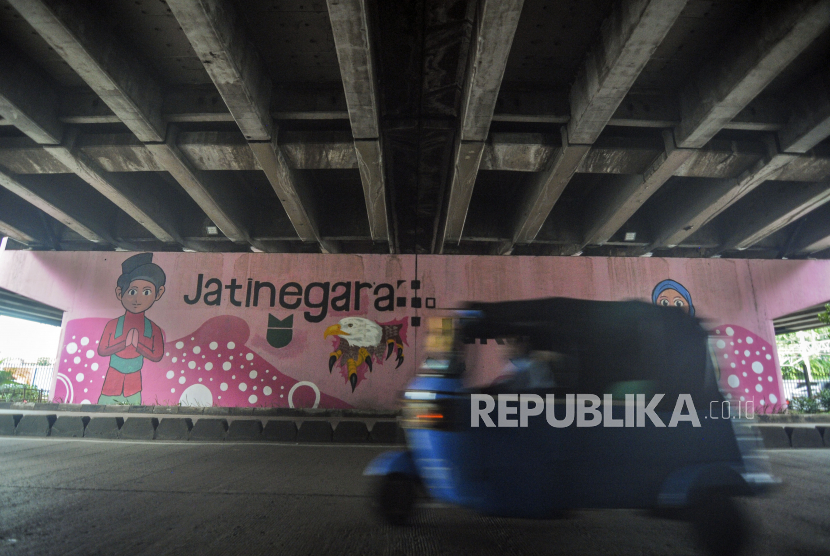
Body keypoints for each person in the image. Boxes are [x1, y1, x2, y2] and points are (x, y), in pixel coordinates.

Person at [97, 253, 166, 405]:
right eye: (132, 291)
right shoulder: (113, 325)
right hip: (111, 383)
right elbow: (102, 350)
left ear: (158, 293)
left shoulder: (154, 328)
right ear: (119, 293)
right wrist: (123, 344)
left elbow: (158, 355)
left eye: (146, 292)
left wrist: (138, 346)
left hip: (134, 385)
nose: (137, 299)